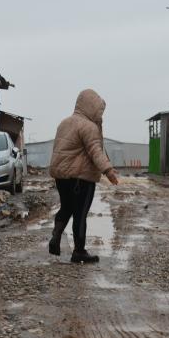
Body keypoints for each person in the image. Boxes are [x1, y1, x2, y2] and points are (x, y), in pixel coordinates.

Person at [48, 89, 120, 263]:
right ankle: (79, 251)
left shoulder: (64, 123)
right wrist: (109, 171)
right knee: (80, 214)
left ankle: (56, 235)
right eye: (99, 110)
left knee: (66, 207)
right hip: (81, 178)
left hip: (61, 176)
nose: (100, 114)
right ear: (92, 107)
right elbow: (96, 151)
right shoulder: (89, 127)